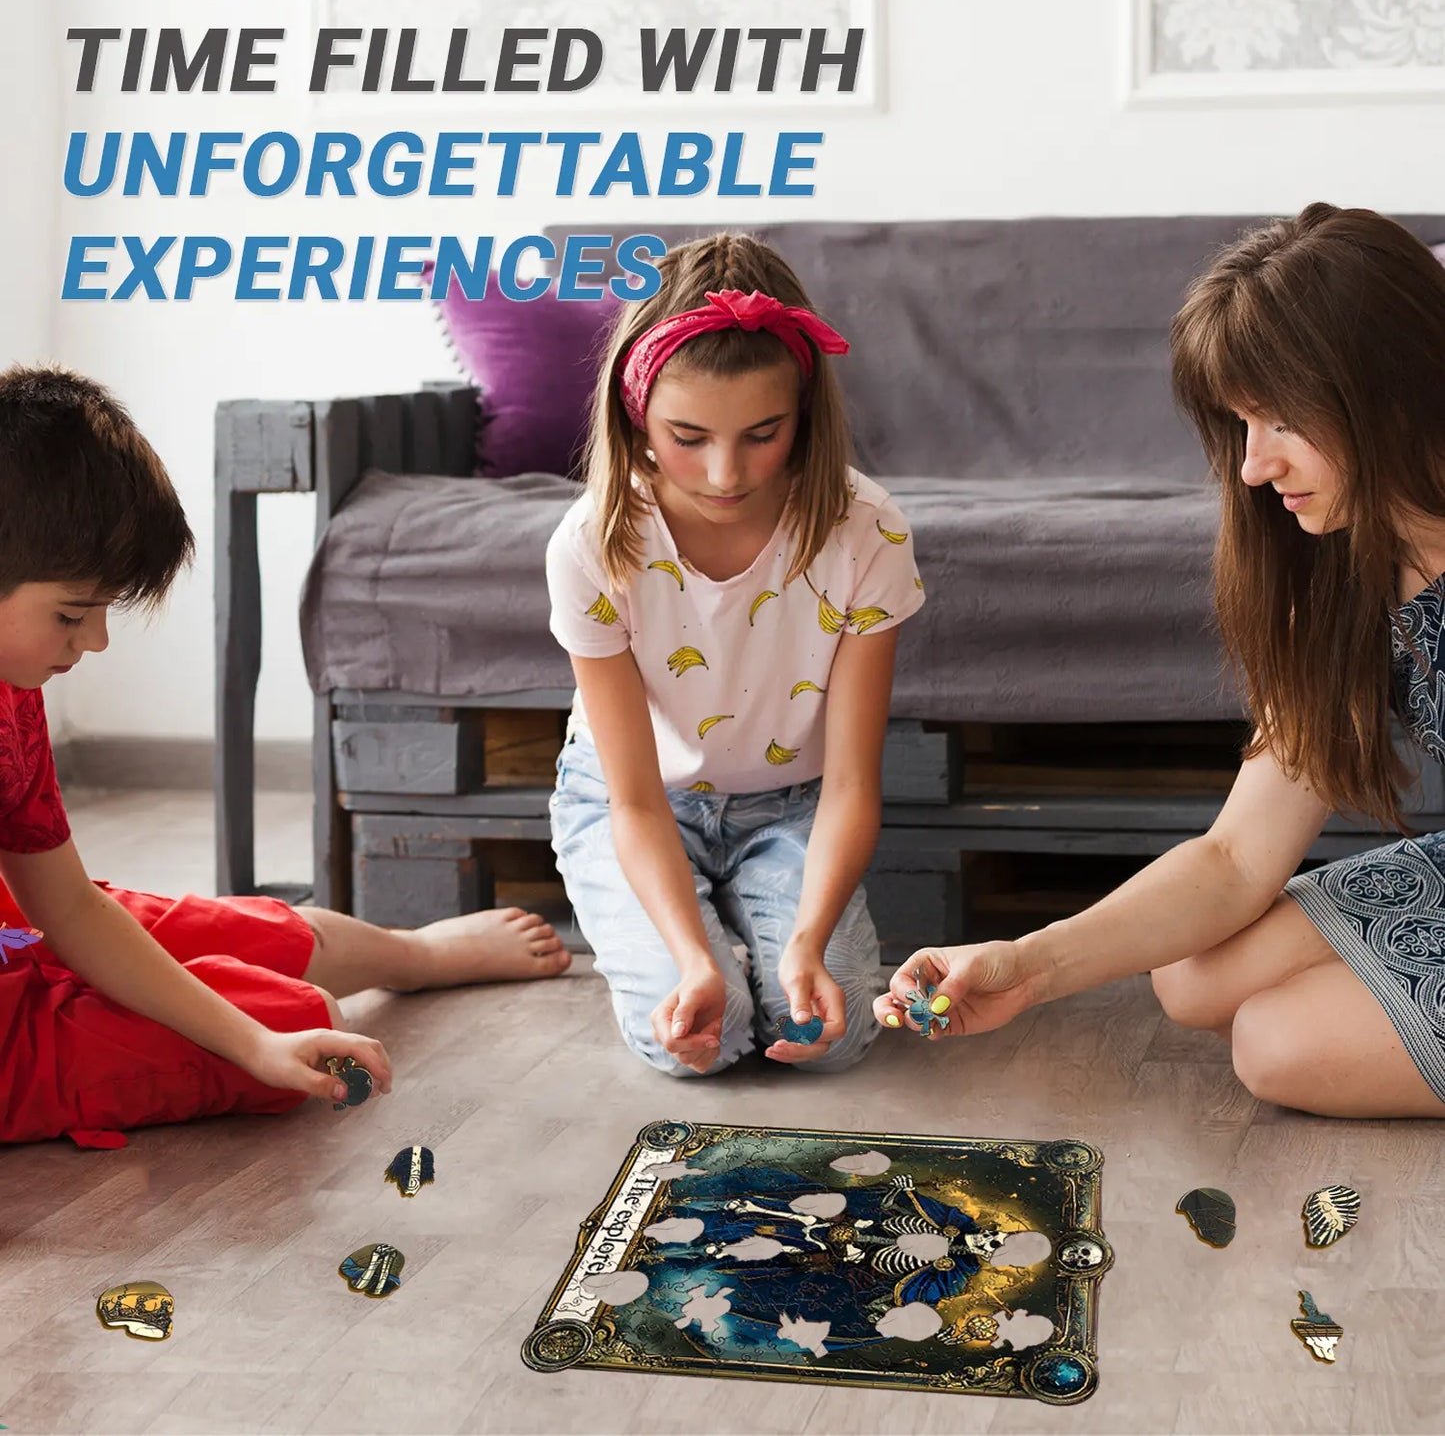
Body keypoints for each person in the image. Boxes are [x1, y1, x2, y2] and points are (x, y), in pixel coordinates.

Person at [874, 203, 1445, 1120]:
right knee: (1189, 973)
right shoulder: (1338, 565)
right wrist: (1024, 963)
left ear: (1384, 388)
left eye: (1279, 420)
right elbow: (1232, 858)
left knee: (1277, 1044)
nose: (1254, 466)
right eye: (1239, 424)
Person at [0, 364, 570, 1147]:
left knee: (284, 945)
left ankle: (410, 954)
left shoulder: (14, 687)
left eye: (101, 612)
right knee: (302, 1027)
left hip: (21, 929)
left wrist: (250, 1042)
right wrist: (255, 1043)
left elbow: (65, 905)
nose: (95, 641)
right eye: (72, 613)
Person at [546, 233, 925, 1076]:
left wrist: (808, 942)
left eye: (762, 434)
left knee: (831, 1036)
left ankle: (758, 945)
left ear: (804, 412)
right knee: (690, 1045)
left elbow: (853, 781)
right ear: (636, 414)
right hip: (635, 805)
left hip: (793, 804)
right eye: (688, 436)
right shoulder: (592, 544)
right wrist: (691, 960)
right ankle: (713, 943)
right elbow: (635, 802)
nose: (724, 473)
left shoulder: (868, 531)